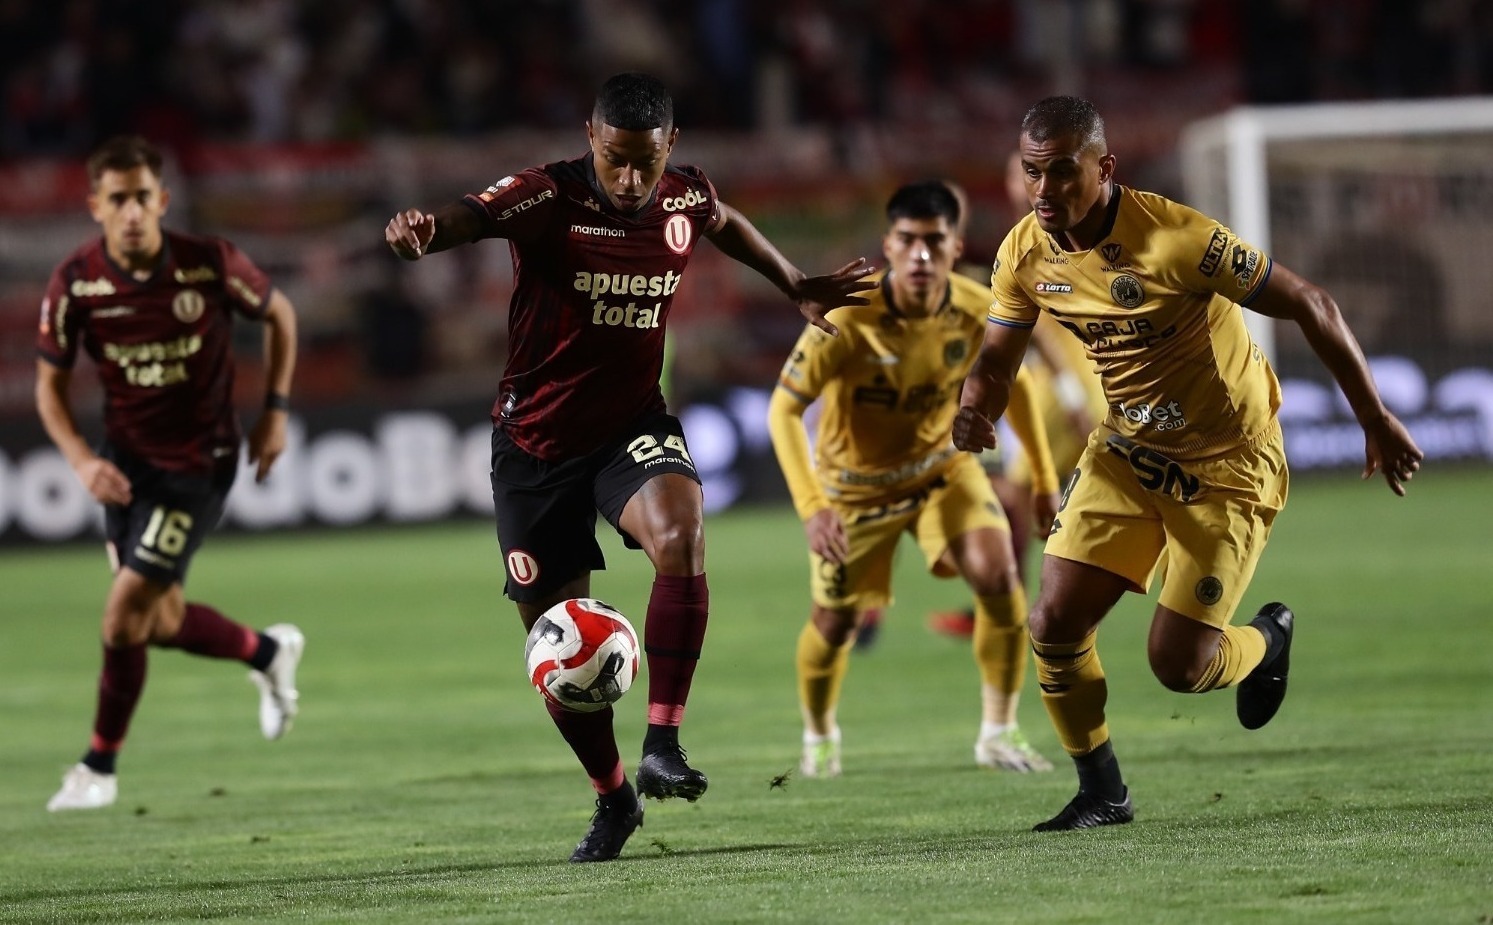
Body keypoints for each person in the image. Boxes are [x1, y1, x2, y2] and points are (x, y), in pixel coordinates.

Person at [383, 72, 874, 863]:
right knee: (557, 650)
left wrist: (794, 285)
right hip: (534, 446)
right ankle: (613, 798)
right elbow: (468, 217)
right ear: (591, 138)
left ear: (669, 146)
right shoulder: (546, 195)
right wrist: (421, 231)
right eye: (615, 158)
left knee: (681, 534)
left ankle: (663, 742)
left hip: (629, 429)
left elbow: (725, 219)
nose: (630, 177)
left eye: (645, 160)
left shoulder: (681, 197)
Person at [953, 97, 1424, 831]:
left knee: (1179, 665)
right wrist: (975, 405)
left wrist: (1373, 416)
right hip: (1126, 451)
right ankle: (1102, 792)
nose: (1042, 191)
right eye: (1030, 173)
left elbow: (1311, 301)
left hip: (1229, 462)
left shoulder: (1177, 239)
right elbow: (993, 359)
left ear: (1103, 168)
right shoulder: (1023, 253)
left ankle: (1267, 638)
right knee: (1051, 622)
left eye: (1060, 173)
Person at [35, 135, 304, 812]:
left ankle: (98, 766)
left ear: (162, 200)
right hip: (125, 466)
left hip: (197, 464)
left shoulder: (206, 264)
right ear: (95, 204)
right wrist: (82, 460)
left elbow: (278, 313)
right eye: (117, 199)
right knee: (158, 621)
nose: (131, 211)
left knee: (123, 615)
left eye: (142, 197)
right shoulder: (76, 282)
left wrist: (274, 411)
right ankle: (267, 652)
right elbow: (49, 387)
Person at [768, 181, 1061, 778]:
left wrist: (1042, 482)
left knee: (1000, 574)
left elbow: (1020, 384)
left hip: (941, 472)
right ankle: (819, 734)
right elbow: (783, 409)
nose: (920, 256)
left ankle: (999, 732)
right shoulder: (849, 315)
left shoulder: (979, 307)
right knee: (836, 621)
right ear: (888, 246)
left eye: (934, 242)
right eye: (907, 241)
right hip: (853, 491)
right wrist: (812, 506)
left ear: (956, 247)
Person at [926, 158, 1107, 640]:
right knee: (1028, 496)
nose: (1018, 183)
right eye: (1016, 173)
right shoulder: (1045, 237)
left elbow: (1046, 337)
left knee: (1020, 495)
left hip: (1069, 383)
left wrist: (1071, 398)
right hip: (1077, 380)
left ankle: (1015, 605)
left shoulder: (1038, 244)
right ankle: (1019, 602)